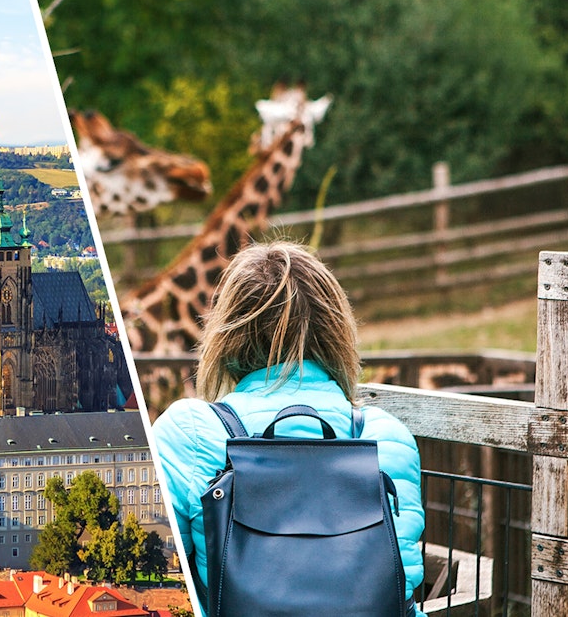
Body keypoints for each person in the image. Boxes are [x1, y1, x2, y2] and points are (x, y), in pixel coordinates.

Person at [152, 240, 425, 616]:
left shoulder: (189, 433)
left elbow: (172, 594)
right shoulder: (385, 437)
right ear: (336, 331)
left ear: (228, 333)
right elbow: (403, 591)